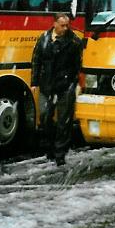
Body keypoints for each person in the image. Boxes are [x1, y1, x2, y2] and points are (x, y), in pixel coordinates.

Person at [30, 12, 83, 166]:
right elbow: (36, 60)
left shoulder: (74, 42)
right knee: (45, 117)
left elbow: (78, 65)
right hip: (47, 86)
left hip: (65, 86)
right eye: (62, 25)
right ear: (54, 24)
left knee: (63, 122)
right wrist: (34, 82)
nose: (65, 28)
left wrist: (73, 83)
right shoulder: (44, 38)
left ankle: (60, 153)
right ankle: (49, 148)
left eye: (67, 25)